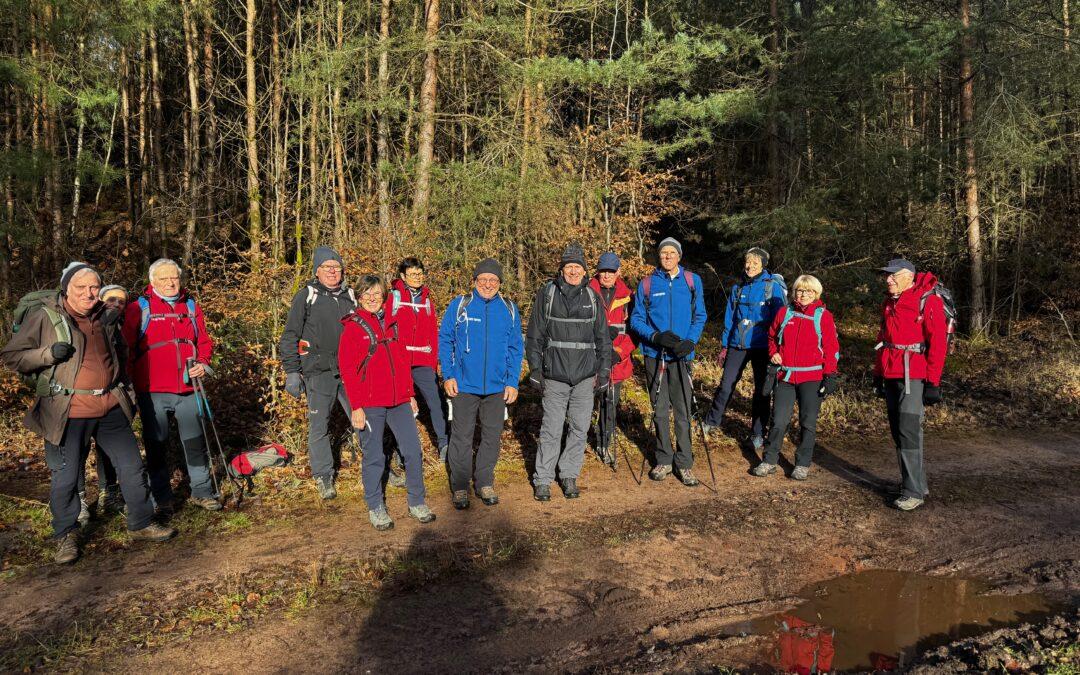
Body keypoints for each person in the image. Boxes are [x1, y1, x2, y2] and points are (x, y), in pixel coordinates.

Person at [1, 262, 175, 564]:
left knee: (132, 467)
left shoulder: (107, 317)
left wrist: (126, 393)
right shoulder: (46, 317)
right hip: (68, 409)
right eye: (80, 288)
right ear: (66, 288)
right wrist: (46, 354)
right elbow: (11, 356)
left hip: (109, 406)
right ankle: (66, 535)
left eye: (93, 287)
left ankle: (141, 523)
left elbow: (121, 355)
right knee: (67, 477)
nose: (88, 293)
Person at [339, 275, 436, 530]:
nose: (372, 299)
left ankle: (416, 501)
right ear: (359, 297)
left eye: (377, 294)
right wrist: (356, 406)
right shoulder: (352, 328)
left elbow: (403, 362)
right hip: (370, 403)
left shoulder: (394, 323)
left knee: (413, 452)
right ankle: (375, 506)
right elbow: (348, 371)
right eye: (367, 294)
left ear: (384, 297)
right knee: (374, 456)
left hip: (399, 400)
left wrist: (410, 394)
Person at [123, 258, 218, 514]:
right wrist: (130, 385)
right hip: (152, 390)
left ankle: (202, 491)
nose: (169, 283)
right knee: (156, 445)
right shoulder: (138, 308)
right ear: (152, 282)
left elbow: (205, 342)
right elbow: (127, 349)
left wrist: (202, 363)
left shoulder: (190, 305)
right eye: (163, 279)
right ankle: (162, 497)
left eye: (173, 278)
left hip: (189, 389)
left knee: (195, 442)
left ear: (180, 279)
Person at [526, 244, 611, 501]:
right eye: (569, 267)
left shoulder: (592, 297)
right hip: (555, 376)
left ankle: (569, 475)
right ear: (561, 270)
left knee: (579, 428)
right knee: (551, 429)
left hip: (585, 377)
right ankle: (543, 479)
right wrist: (535, 369)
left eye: (577, 267)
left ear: (584, 271)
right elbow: (534, 335)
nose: (573, 271)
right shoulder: (547, 294)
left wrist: (604, 370)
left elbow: (603, 339)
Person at [438, 258, 524, 510]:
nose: (488, 284)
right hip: (463, 386)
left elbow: (515, 348)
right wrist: (449, 375)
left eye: (493, 280)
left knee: (491, 437)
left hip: (497, 388)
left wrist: (512, 381)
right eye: (483, 279)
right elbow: (445, 341)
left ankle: (485, 481)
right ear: (474, 281)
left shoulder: (509, 309)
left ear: (500, 283)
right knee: (461, 438)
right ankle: (461, 486)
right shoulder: (460, 306)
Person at [278, 246, 360, 500]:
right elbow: (290, 335)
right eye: (327, 267)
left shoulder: (352, 296)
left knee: (365, 420)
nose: (333, 271)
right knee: (319, 427)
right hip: (318, 372)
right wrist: (292, 371)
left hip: (350, 372)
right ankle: (324, 477)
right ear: (317, 271)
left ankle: (379, 467)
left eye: (336, 267)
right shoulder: (307, 296)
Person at [628, 237, 708, 486]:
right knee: (660, 411)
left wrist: (691, 341)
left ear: (679, 256)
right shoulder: (647, 284)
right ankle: (663, 459)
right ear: (659, 256)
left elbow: (700, 315)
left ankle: (684, 464)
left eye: (672, 252)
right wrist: (655, 337)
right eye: (664, 253)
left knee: (683, 411)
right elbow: (636, 320)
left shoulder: (692, 281)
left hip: (682, 356)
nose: (667, 256)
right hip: (655, 355)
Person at [873, 259, 947, 511]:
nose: (888, 280)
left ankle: (913, 491)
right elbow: (883, 339)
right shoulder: (889, 303)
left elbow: (938, 343)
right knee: (898, 431)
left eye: (892, 276)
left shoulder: (928, 300)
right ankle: (917, 483)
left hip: (913, 376)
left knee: (908, 430)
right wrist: (877, 374)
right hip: (891, 373)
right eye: (887, 276)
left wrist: (933, 382)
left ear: (908, 276)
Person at [751, 275, 839, 480]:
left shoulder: (823, 316)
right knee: (779, 421)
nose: (803, 295)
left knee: (807, 422)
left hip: (812, 377)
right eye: (799, 290)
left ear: (816, 293)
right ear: (794, 292)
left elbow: (831, 348)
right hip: (786, 376)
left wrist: (830, 375)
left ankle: (802, 463)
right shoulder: (785, 312)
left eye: (808, 291)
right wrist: (773, 352)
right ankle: (769, 460)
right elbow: (772, 336)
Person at [702, 247, 787, 449]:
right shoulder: (737, 289)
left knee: (761, 391)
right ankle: (711, 422)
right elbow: (729, 320)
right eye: (748, 262)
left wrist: (777, 349)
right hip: (737, 345)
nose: (750, 266)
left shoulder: (772, 288)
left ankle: (757, 433)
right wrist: (724, 346)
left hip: (762, 347)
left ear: (763, 266)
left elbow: (780, 321)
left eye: (755, 263)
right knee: (725, 385)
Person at [74, 284, 130, 520]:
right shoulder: (87, 324)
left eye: (121, 301)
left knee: (108, 450)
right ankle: (79, 501)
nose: (116, 304)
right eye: (111, 300)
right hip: (79, 401)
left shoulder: (121, 327)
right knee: (78, 451)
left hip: (113, 398)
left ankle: (109, 492)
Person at [386, 258, 449, 461]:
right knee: (401, 405)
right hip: (400, 361)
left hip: (423, 360)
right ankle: (400, 450)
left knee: (437, 401)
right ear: (403, 276)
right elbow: (387, 330)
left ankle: (444, 444)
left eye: (420, 274)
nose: (417, 278)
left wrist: (433, 364)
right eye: (412, 274)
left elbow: (433, 332)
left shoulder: (427, 299)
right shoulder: (393, 298)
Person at [588, 251, 636, 465]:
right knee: (583, 404)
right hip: (589, 360)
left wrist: (619, 353)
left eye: (611, 271)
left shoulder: (630, 298)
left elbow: (635, 331)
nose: (606, 275)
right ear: (597, 272)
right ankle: (576, 444)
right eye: (603, 271)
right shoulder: (586, 292)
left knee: (610, 405)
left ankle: (604, 444)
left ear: (618, 272)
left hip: (617, 362)